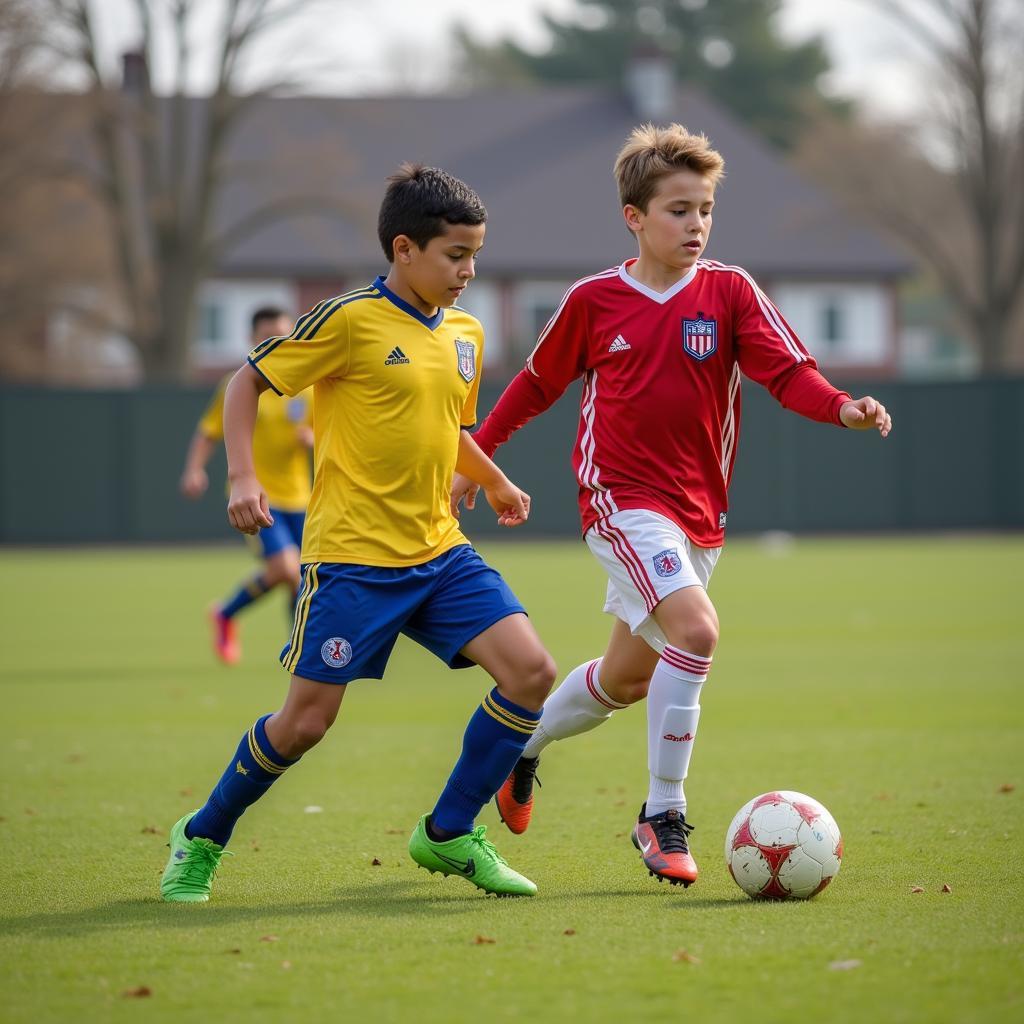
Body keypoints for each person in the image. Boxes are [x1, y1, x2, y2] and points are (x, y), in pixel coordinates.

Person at [458, 123, 892, 889]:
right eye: (679, 210)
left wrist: (842, 408)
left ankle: (518, 749)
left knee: (628, 679)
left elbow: (789, 375)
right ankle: (662, 813)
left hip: (699, 517)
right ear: (635, 216)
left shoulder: (729, 292)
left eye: (705, 212)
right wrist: (478, 457)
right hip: (620, 500)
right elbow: (535, 385)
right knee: (697, 630)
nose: (695, 226)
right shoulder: (594, 300)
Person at [160, 164, 557, 904]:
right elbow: (244, 382)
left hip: (439, 552)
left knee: (531, 673)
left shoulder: (465, 332)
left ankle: (447, 832)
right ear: (403, 248)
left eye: (475, 256)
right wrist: (242, 477)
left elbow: (448, 426)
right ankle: (203, 835)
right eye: (454, 256)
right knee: (305, 724)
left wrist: (493, 478)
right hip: (352, 562)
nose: (468, 272)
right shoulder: (347, 320)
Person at [180, 306, 313, 665]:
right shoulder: (239, 383)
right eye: (268, 336)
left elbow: (329, 429)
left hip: (303, 497)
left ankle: (248, 623)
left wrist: (312, 437)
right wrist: (195, 469)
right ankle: (236, 619)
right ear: (252, 339)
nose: (276, 343)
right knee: (287, 570)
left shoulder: (306, 386)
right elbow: (209, 432)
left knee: (301, 577)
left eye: (283, 336)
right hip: (256, 496)